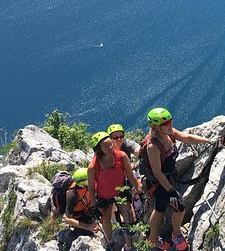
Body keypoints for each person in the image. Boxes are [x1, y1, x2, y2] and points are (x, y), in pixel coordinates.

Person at [141, 107, 216, 251]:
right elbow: (157, 172)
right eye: (166, 123)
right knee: (180, 207)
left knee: (160, 208)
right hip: (157, 183)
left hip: (166, 179)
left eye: (170, 121)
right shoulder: (153, 146)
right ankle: (176, 234)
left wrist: (208, 141)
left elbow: (187, 137)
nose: (170, 125)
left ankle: (153, 239)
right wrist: (171, 191)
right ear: (156, 126)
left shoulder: (169, 133)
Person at [87, 131, 143, 251]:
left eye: (110, 144)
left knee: (128, 219)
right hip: (104, 196)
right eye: (106, 146)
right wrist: (93, 206)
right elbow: (91, 188)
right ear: (99, 149)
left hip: (121, 192)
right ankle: (110, 242)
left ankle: (128, 246)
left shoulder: (121, 156)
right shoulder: (93, 166)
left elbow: (131, 176)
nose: (110, 147)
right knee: (106, 222)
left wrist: (138, 189)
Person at [106, 123, 142, 249]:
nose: (119, 139)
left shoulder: (126, 144)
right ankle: (128, 245)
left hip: (126, 180)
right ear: (109, 138)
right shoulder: (106, 151)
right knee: (126, 213)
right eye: (115, 137)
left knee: (130, 208)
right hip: (114, 185)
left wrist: (142, 152)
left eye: (121, 136)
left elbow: (137, 148)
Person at [59, 167, 100, 251]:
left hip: (85, 209)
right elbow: (67, 219)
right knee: (86, 236)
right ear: (83, 183)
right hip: (77, 217)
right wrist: (87, 227)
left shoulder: (86, 186)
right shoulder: (72, 195)